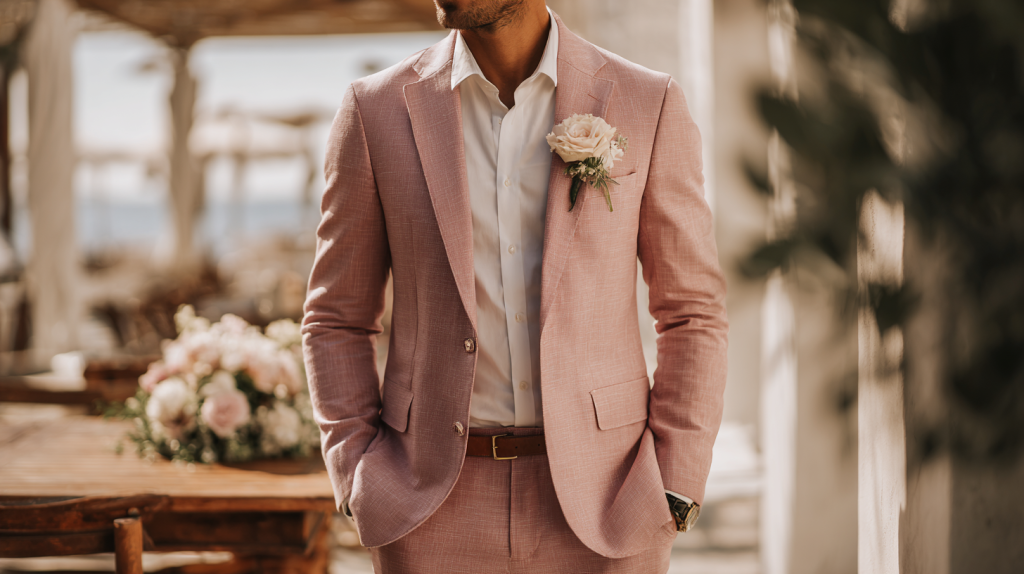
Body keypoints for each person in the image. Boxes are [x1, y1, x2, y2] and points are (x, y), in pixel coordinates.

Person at [301, 0, 728, 572]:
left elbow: (692, 310)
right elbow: (336, 317)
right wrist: (357, 472)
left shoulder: (646, 100)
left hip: (609, 501)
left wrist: (675, 482)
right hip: (428, 506)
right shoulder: (373, 109)